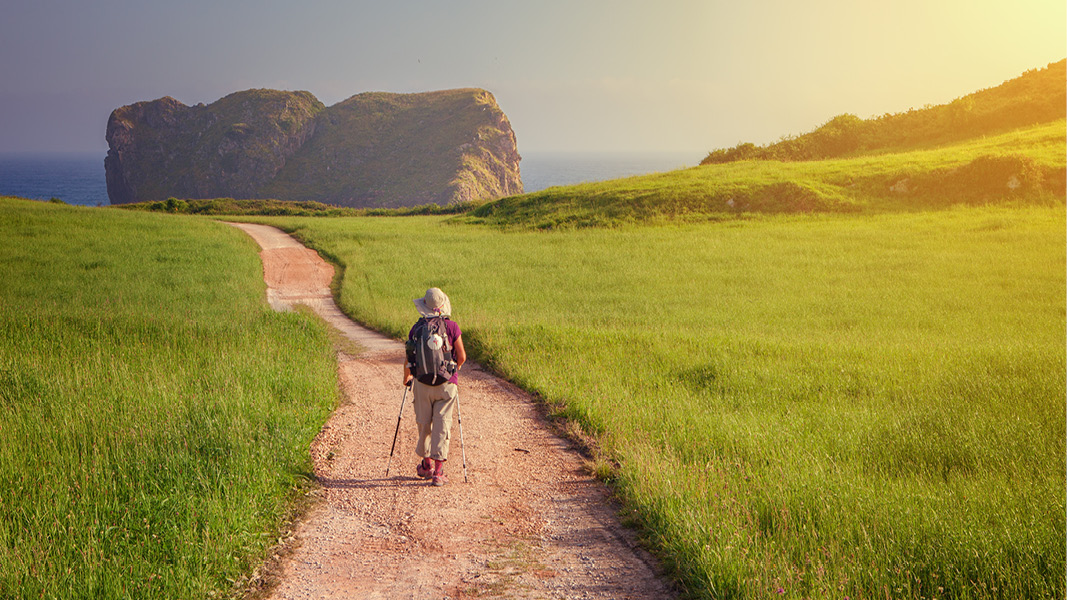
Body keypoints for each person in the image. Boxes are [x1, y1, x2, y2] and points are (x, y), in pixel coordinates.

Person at [403, 287, 466, 486]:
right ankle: (439, 473)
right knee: (443, 424)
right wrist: (453, 371)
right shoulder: (452, 327)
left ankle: (426, 465)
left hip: (422, 383)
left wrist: (407, 377)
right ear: (442, 306)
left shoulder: (416, 328)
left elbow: (408, 358)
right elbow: (462, 356)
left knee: (424, 423)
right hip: (446, 384)